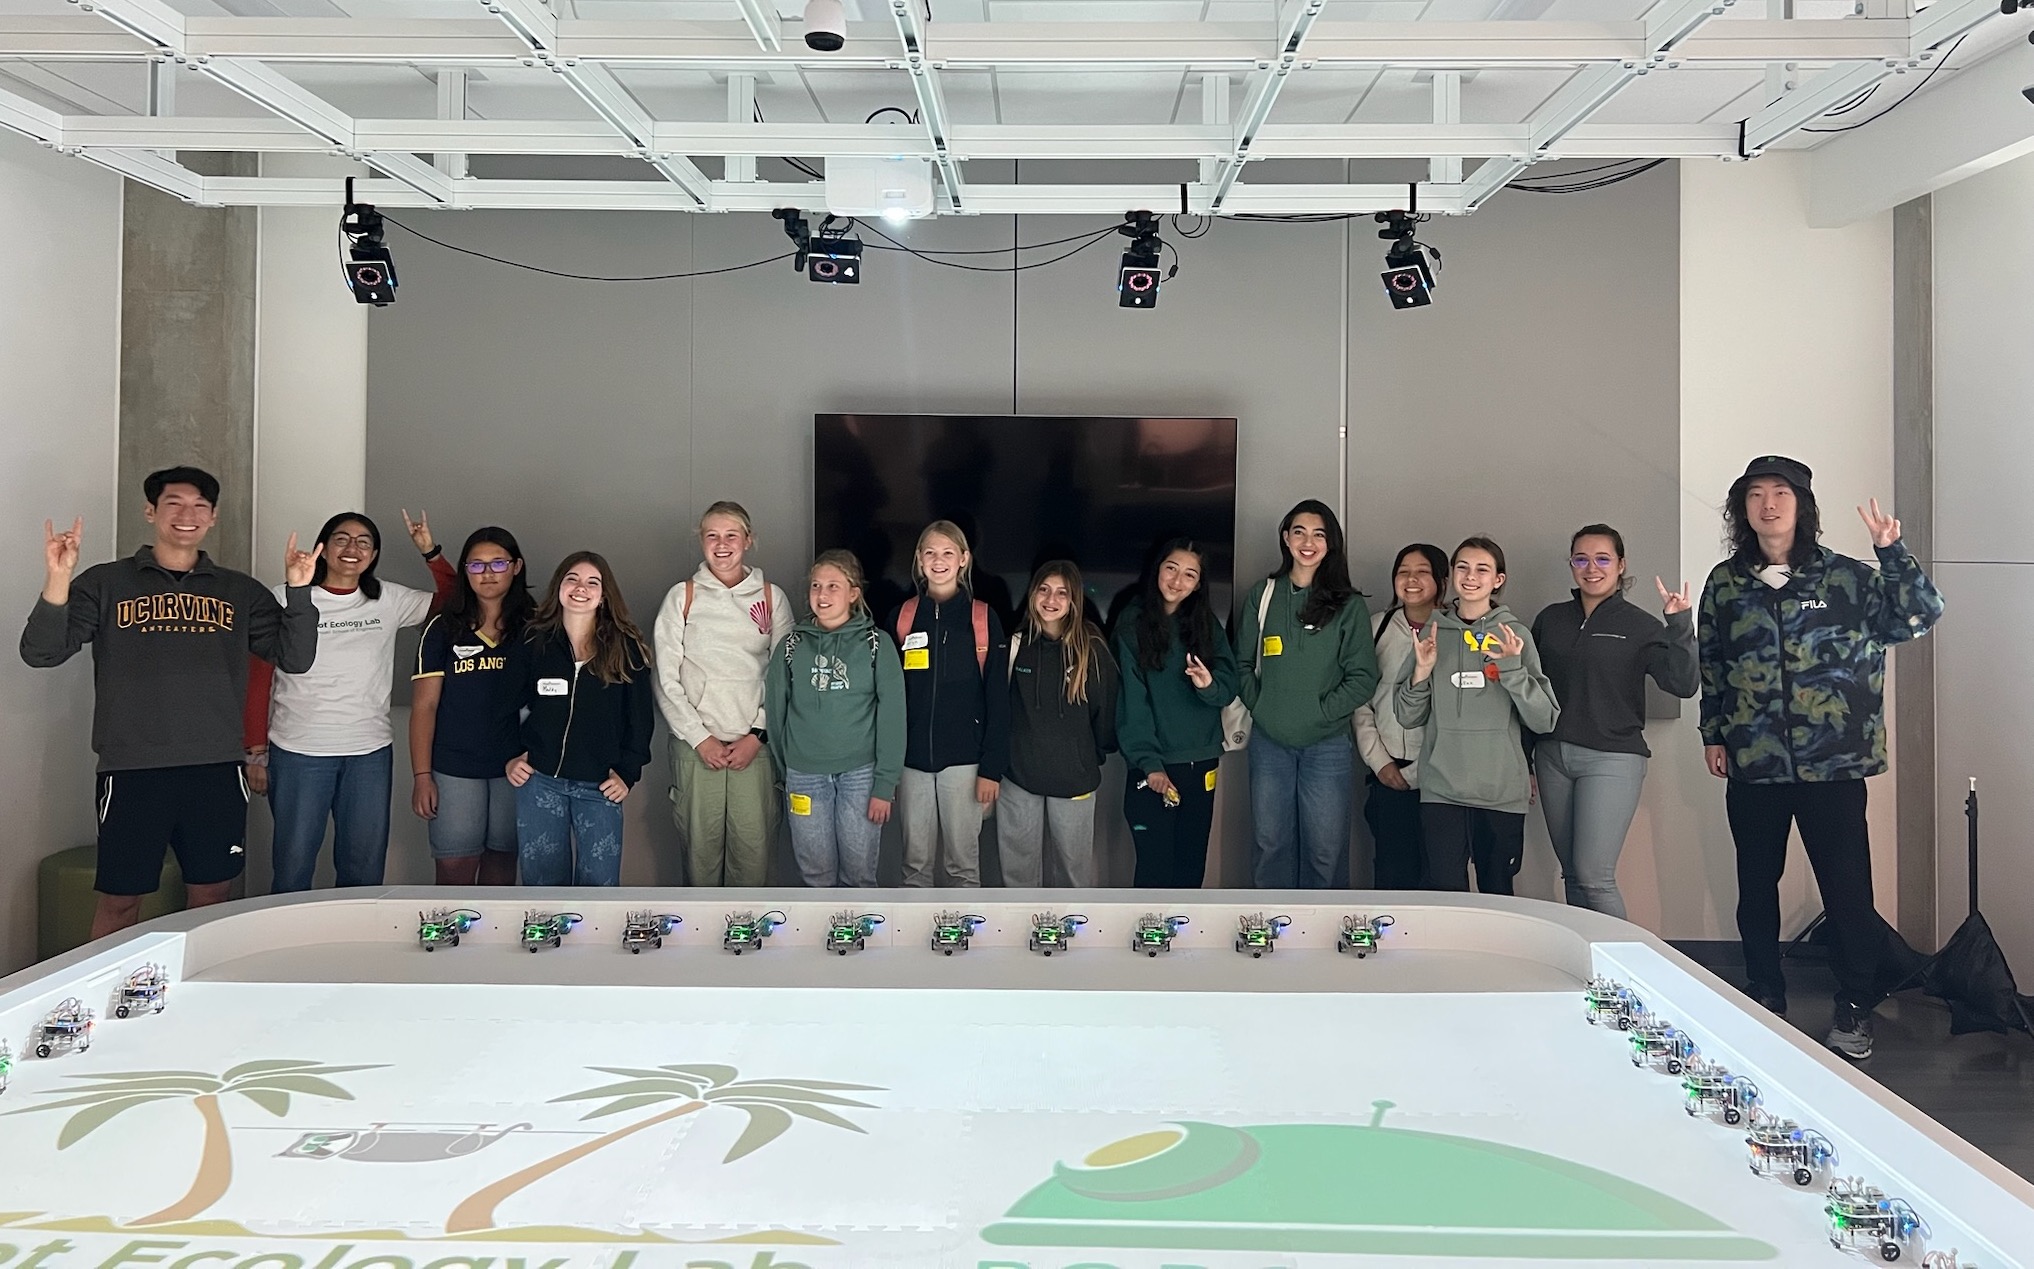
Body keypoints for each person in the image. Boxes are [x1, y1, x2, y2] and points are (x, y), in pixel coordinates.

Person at [1699, 455, 1943, 1061]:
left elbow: (1920, 614)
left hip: (1834, 764)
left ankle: (1856, 1003)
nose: (1768, 504)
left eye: (1780, 493)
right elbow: (1713, 664)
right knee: (1756, 885)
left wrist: (1893, 551)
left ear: (1802, 505)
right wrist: (1714, 732)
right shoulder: (1725, 583)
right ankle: (1764, 995)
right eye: (1755, 495)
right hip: (1755, 761)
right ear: (1742, 509)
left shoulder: (1850, 579)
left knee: (1846, 889)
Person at [20, 466, 319, 938]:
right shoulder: (106, 583)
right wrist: (58, 578)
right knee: (120, 900)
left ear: (214, 517)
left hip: (216, 768)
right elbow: (41, 652)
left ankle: (195, 1001)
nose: (187, 514)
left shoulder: (238, 591)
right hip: (134, 768)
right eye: (174, 503)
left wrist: (299, 591)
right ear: (151, 511)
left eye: (200, 505)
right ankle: (110, 995)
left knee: (211, 896)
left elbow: (295, 659)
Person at [256, 510, 454, 893]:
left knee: (363, 869)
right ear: (323, 549)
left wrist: (430, 552)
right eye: (341, 539)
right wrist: (254, 749)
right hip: (298, 751)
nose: (352, 548)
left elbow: (457, 601)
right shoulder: (287, 597)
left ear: (374, 554)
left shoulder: (389, 599)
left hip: (368, 753)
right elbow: (259, 674)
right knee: (293, 865)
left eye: (364, 542)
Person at [1531, 525, 1698, 918]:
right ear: (1571, 565)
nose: (1592, 568)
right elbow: (1530, 692)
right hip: (1552, 756)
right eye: (1581, 559)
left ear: (1621, 565)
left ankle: (1621, 969)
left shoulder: (1640, 625)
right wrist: (1526, 758)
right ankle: (1588, 969)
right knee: (1572, 873)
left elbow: (1683, 684)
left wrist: (1679, 624)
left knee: (1595, 876)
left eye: (1603, 558)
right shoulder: (1550, 620)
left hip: (1612, 759)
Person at [1398, 537, 1560, 895]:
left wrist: (1512, 670)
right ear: (1453, 575)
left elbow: (1544, 719)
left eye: (1482, 569)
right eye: (1463, 568)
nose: (1471, 577)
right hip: (1442, 791)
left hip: (1500, 792)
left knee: (1497, 897)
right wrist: (1421, 672)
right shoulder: (1433, 632)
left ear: (1497, 580)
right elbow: (1407, 716)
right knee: (1445, 896)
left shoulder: (1513, 635)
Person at [1235, 500, 1379, 889]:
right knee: (1270, 845)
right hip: (1269, 744)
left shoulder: (1347, 605)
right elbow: (1241, 666)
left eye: (1319, 534)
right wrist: (1264, 708)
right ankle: (1270, 936)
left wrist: (1321, 713)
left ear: (1331, 543)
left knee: (1326, 851)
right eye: (1299, 531)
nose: (1308, 541)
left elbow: (1363, 676)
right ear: (1286, 538)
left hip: (1326, 745)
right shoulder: (1262, 596)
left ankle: (1322, 942)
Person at [653, 502, 794, 887]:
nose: (721, 544)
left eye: (731, 535)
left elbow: (784, 674)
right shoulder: (682, 597)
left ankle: (750, 942)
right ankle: (699, 945)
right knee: (700, 857)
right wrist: (700, 739)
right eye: (711, 535)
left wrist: (757, 734)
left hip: (755, 750)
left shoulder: (771, 597)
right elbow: (666, 679)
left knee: (755, 856)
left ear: (748, 540)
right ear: (701, 540)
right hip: (697, 749)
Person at [506, 552, 656, 887]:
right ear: (559, 586)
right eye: (572, 578)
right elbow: (504, 705)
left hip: (599, 786)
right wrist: (510, 756)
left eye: (593, 582)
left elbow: (640, 720)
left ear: (604, 596)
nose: (580, 588)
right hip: (540, 782)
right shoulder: (533, 641)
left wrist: (628, 774)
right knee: (542, 888)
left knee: (599, 889)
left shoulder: (625, 648)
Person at [764, 549, 906, 888]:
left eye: (833, 586)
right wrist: (790, 768)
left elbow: (893, 716)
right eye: (816, 586)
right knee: (815, 875)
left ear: (854, 593)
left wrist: (884, 784)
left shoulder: (876, 644)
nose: (822, 594)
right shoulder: (791, 645)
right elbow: (776, 712)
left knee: (859, 874)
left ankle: (857, 940)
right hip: (804, 777)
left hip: (861, 777)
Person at [410, 527, 534, 886]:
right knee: (454, 868)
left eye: (498, 563)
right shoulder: (442, 628)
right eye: (476, 565)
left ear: (516, 566)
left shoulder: (536, 626)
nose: (488, 573)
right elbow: (424, 707)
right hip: (454, 766)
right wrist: (421, 776)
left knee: (502, 864)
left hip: (518, 767)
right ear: (465, 571)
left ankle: (490, 944)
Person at [891, 520, 1009, 888]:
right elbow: (889, 697)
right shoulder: (903, 616)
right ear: (919, 559)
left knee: (963, 867)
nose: (938, 560)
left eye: (947, 553)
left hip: (966, 763)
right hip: (911, 762)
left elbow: (998, 699)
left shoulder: (982, 618)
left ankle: (962, 943)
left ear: (963, 559)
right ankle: (913, 944)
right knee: (914, 866)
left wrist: (992, 768)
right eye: (930, 552)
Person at [1113, 538, 1237, 889]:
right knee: (1154, 868)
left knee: (1190, 866)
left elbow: (1229, 686)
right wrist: (1150, 764)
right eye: (1171, 568)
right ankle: (1152, 942)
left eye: (1189, 574)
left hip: (1201, 764)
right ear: (1157, 569)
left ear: (1199, 583)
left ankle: (1186, 944)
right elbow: (1131, 702)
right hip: (1153, 767)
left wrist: (1208, 682)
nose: (1177, 580)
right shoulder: (1131, 623)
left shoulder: (1205, 623)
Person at [999, 560, 1119, 888]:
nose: (1051, 599)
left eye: (1062, 593)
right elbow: (1001, 712)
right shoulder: (1015, 646)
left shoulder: (1091, 650)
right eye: (1044, 589)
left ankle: (1070, 938)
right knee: (1018, 875)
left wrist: (1084, 756)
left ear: (1074, 601)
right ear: (1032, 594)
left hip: (1074, 780)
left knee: (1072, 875)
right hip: (1018, 777)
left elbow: (1105, 715)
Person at [1353, 543, 1448, 889]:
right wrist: (1380, 763)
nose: (1411, 579)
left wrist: (1422, 771)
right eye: (1403, 571)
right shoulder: (1376, 627)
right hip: (1387, 775)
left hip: (1443, 778)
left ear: (1441, 579)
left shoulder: (1456, 630)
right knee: (1392, 874)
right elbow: (1360, 700)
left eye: (1422, 571)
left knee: (1440, 877)